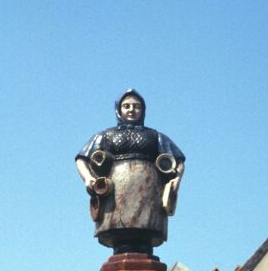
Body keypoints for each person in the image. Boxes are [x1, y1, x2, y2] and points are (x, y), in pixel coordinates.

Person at [75, 89, 185, 254]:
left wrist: (177, 179)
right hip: (115, 192)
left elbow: (178, 160)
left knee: (146, 231)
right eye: (126, 106)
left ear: (143, 110)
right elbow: (82, 158)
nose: (131, 110)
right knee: (118, 230)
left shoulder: (155, 136)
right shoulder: (106, 135)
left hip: (149, 192)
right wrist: (88, 178)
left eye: (136, 106)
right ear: (119, 110)